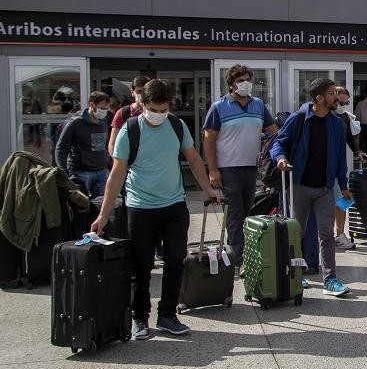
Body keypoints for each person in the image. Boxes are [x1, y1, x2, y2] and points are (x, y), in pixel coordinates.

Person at [91, 79, 222, 340]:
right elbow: (116, 175)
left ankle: (167, 315)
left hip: (173, 205)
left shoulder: (176, 124)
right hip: (140, 208)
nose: (160, 115)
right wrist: (103, 215)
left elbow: (194, 159)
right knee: (142, 266)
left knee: (175, 261)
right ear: (142, 104)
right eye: (155, 110)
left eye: (164, 110)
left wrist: (209, 190)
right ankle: (140, 317)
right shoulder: (130, 131)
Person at [270, 78, 353, 297]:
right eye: (332, 93)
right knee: (297, 233)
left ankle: (330, 279)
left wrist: (343, 185)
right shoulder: (299, 119)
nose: (336, 97)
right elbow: (278, 142)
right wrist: (280, 158)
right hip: (299, 186)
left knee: (326, 234)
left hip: (325, 188)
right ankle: (297, 274)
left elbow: (340, 157)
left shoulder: (337, 123)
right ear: (319, 98)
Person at [203, 65, 279, 267]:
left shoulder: (259, 105)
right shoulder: (219, 107)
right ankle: (238, 258)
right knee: (235, 214)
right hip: (228, 169)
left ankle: (241, 251)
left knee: (247, 212)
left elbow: (274, 133)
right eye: (240, 80)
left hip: (250, 168)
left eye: (247, 79)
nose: (245, 83)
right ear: (231, 85)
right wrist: (212, 169)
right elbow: (209, 140)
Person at [54, 91, 112, 198]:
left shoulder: (103, 122)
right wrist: (63, 171)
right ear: (91, 105)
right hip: (80, 173)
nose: (104, 112)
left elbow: (105, 146)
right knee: (81, 208)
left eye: (106, 109)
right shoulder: (75, 123)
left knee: (101, 206)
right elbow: (61, 148)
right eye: (102, 108)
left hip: (102, 172)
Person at [333, 86, 367, 250]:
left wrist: (358, 151)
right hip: (323, 167)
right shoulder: (325, 116)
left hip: (338, 166)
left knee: (342, 200)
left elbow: (349, 137)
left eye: (346, 102)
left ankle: (340, 234)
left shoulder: (344, 117)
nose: (343, 105)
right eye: (340, 102)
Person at [108, 76, 149, 154]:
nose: (142, 95)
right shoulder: (123, 113)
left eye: (145, 91)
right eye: (139, 91)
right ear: (132, 92)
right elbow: (112, 144)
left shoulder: (158, 113)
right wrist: (120, 164)